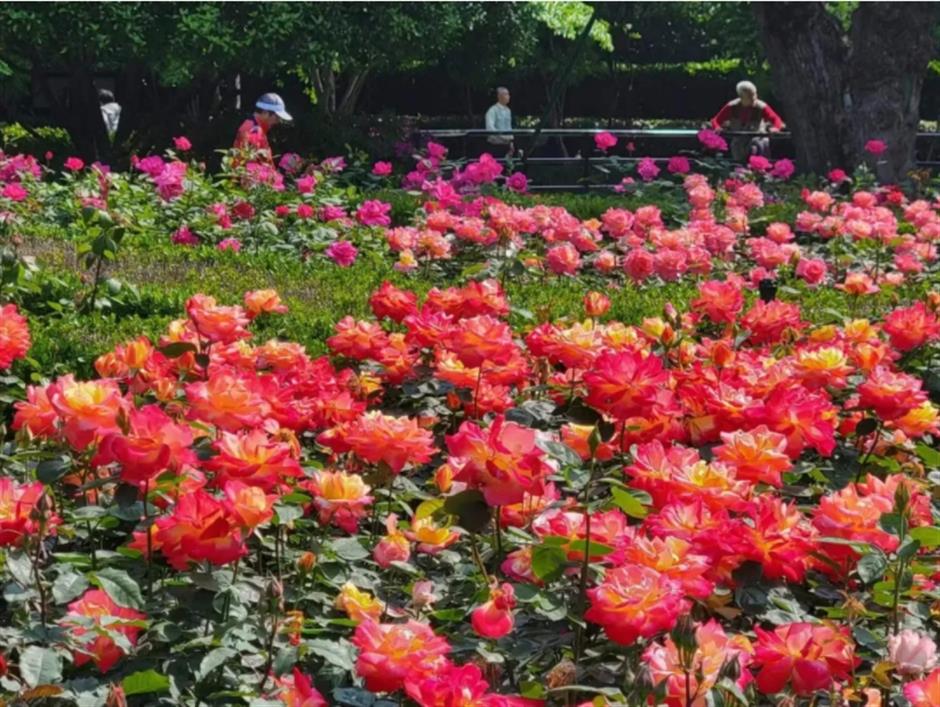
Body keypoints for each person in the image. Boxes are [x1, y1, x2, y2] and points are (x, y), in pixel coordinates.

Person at [710, 81, 784, 162]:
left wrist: (776, 128)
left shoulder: (761, 106)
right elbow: (715, 120)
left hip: (757, 140)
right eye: (749, 96)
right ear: (741, 97)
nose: (754, 98)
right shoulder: (731, 106)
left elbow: (776, 120)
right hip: (739, 141)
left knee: (758, 149)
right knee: (739, 164)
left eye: (754, 94)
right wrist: (717, 128)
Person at [234, 93, 293, 164]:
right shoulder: (252, 131)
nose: (278, 121)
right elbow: (251, 165)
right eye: (277, 117)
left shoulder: (258, 128)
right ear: (265, 113)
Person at [485, 86, 514, 155]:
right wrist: (503, 137)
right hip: (496, 145)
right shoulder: (492, 110)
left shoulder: (508, 110)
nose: (508, 96)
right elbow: (490, 128)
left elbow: (509, 127)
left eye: (508, 94)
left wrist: (511, 142)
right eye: (506, 94)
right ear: (499, 96)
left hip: (507, 144)